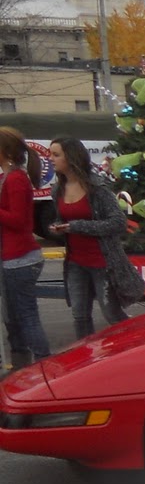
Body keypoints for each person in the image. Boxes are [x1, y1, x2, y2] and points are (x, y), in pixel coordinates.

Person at [48, 137, 145, 339]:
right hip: (75, 262)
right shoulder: (58, 189)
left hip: (103, 262)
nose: (50, 159)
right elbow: (62, 219)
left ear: (71, 157)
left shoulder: (97, 187)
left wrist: (77, 226)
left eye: (56, 155)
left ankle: (134, 348)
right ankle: (86, 361)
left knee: (112, 314)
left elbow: (118, 223)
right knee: (79, 316)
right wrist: (56, 228)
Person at [0, 128, 50, 366]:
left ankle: (42, 364)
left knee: (26, 315)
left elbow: (19, 221)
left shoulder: (16, 179)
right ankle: (23, 363)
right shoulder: (8, 177)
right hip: (11, 256)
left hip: (20, 257)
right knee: (14, 317)